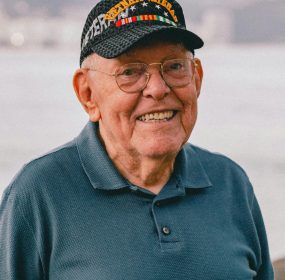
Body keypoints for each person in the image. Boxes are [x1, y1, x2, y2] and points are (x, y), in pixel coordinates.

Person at [0, 0, 274, 279]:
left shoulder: (231, 184)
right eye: (130, 72)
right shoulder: (37, 195)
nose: (157, 88)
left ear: (197, 78)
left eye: (175, 66)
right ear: (87, 94)